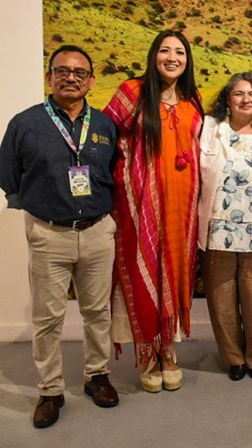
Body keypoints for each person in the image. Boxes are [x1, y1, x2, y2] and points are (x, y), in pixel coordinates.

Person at [0, 45, 120, 428]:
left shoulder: (102, 126)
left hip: (98, 232)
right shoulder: (25, 123)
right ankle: (50, 390)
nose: (71, 77)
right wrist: (35, 205)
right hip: (49, 234)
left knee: (97, 312)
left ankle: (96, 376)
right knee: (48, 318)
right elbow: (8, 172)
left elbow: (115, 170)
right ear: (50, 76)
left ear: (91, 80)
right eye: (62, 71)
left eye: (79, 72)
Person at [104, 30, 204, 392]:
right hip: (140, 208)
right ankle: (148, 354)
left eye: (180, 52)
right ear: (153, 55)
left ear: (188, 60)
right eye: (165, 50)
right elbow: (104, 139)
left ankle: (168, 350)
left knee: (174, 276)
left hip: (181, 209)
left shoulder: (193, 99)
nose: (172, 57)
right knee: (145, 270)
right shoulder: (132, 91)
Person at [197, 73, 252, 382]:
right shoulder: (210, 129)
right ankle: (233, 356)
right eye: (239, 94)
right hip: (218, 225)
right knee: (221, 294)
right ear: (227, 99)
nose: (246, 99)